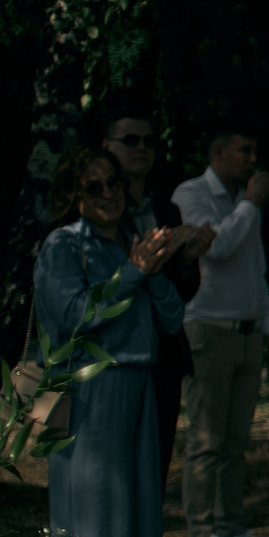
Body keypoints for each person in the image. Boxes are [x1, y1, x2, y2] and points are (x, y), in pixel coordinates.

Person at [34, 147, 185, 537]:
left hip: (141, 384)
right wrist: (130, 274)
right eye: (93, 187)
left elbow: (171, 318)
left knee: (139, 519)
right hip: (93, 390)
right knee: (97, 521)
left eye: (113, 185)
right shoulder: (62, 246)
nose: (107, 196)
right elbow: (73, 314)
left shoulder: (130, 241)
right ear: (73, 195)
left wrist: (154, 271)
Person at [173, 128, 269, 537]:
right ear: (217, 152)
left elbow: (255, 269)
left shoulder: (244, 203)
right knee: (206, 440)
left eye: (254, 151)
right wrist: (252, 203)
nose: (252, 159)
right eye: (245, 150)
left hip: (247, 332)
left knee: (236, 443)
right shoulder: (192, 193)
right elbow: (215, 248)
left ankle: (233, 529)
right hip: (207, 330)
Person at [97, 106, 211, 484]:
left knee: (154, 469)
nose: (141, 148)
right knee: (115, 473)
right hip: (116, 354)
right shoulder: (101, 209)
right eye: (130, 140)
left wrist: (188, 260)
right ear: (107, 146)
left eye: (149, 141)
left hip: (163, 352)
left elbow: (183, 293)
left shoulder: (166, 209)